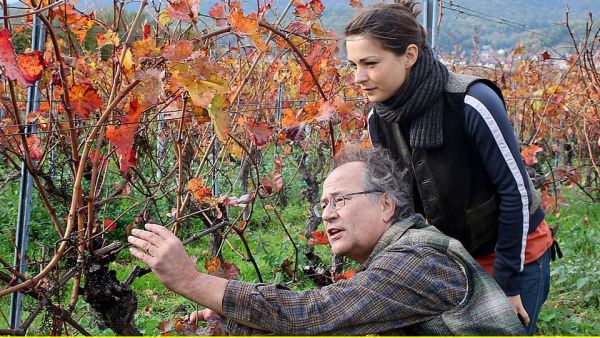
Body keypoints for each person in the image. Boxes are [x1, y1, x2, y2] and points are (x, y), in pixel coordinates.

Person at [128, 146, 525, 335]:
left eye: (340, 200)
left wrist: (191, 280)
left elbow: (314, 314)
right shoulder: (396, 261)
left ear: (386, 204)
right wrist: (235, 322)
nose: (328, 213)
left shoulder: (418, 261)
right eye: (323, 204)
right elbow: (336, 323)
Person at [344, 1, 554, 334]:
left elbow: (514, 193)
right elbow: (399, 203)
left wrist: (507, 286)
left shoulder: (471, 101)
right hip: (451, 260)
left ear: (409, 55)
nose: (358, 77)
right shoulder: (379, 119)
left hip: (512, 255)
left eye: (370, 63)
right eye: (353, 64)